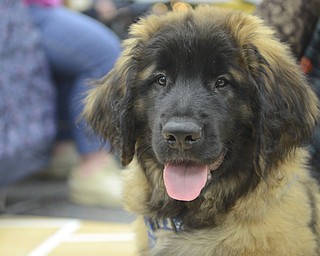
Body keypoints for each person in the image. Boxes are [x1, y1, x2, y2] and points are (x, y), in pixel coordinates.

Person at [23, 0, 123, 208]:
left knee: (73, 60)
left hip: (38, 7)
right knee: (102, 54)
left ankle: (61, 151)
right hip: (21, 9)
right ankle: (92, 168)